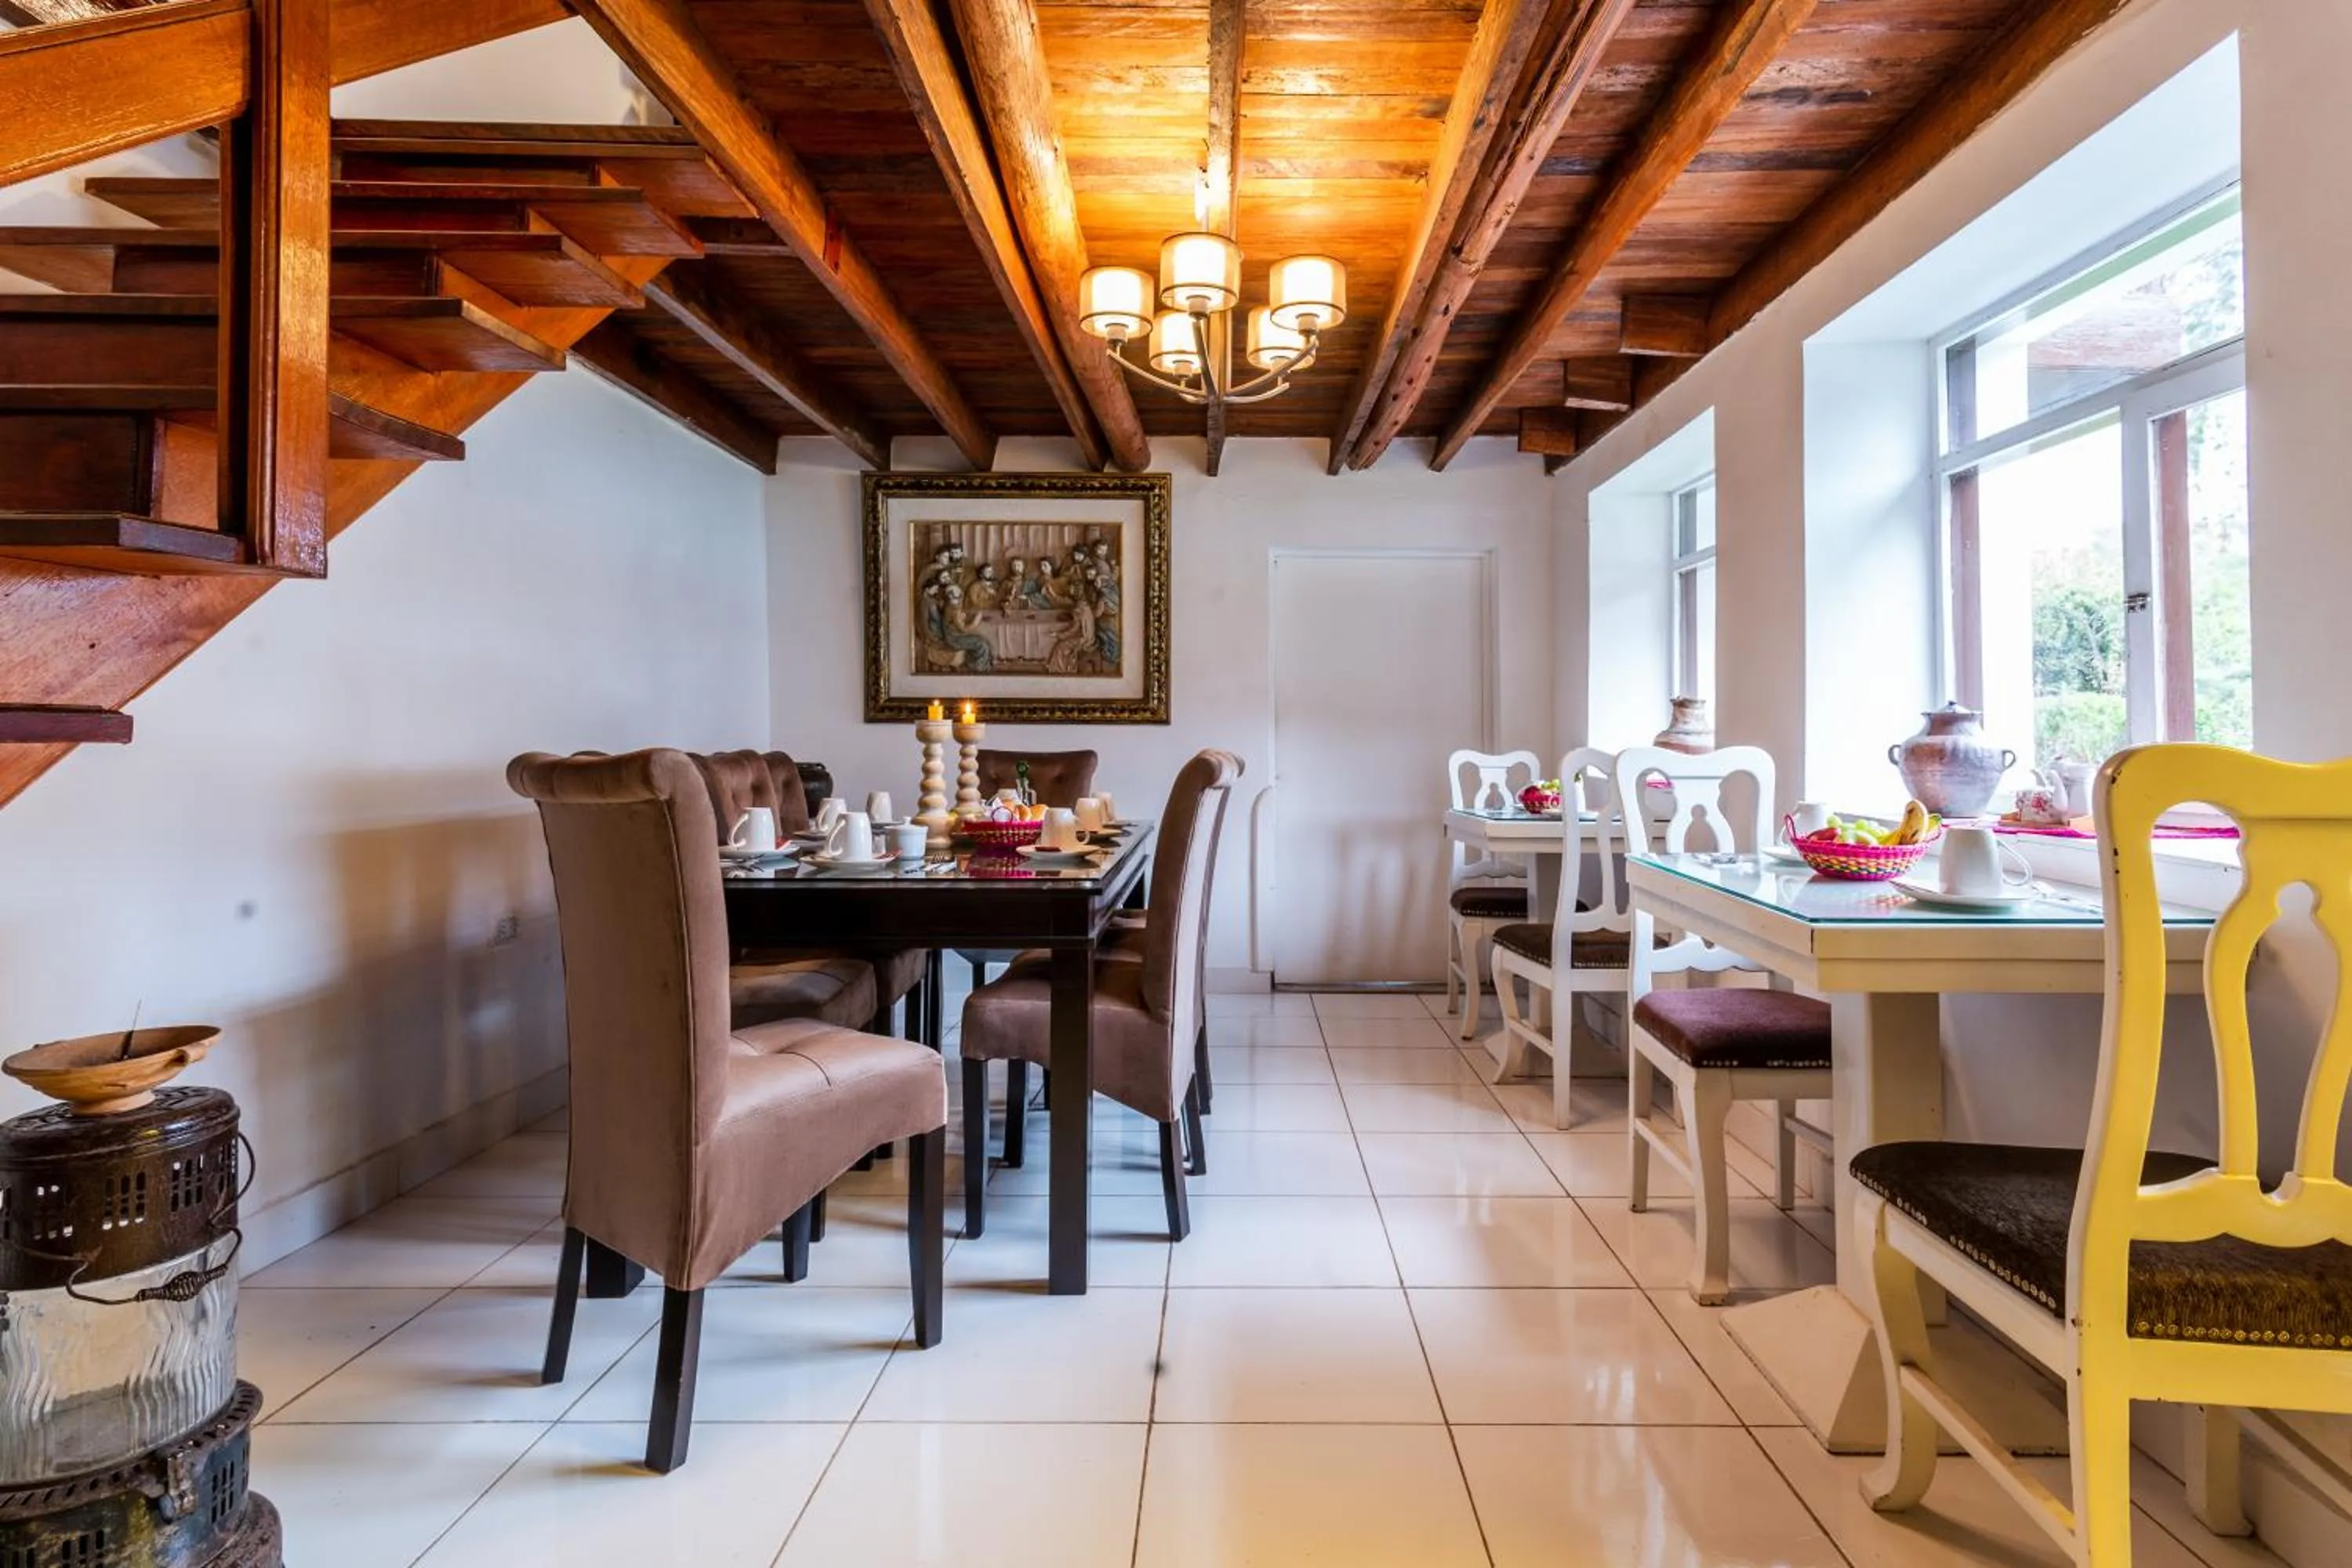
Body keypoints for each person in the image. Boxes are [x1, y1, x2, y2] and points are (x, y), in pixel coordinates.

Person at [938, 582, 994, 673]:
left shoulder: (952, 606)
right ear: (951, 595)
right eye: (957, 591)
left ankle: (983, 665)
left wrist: (963, 617)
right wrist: (976, 621)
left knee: (982, 641)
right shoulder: (953, 610)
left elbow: (956, 621)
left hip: (955, 635)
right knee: (982, 644)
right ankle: (979, 667)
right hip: (955, 638)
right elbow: (964, 629)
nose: (960, 592)